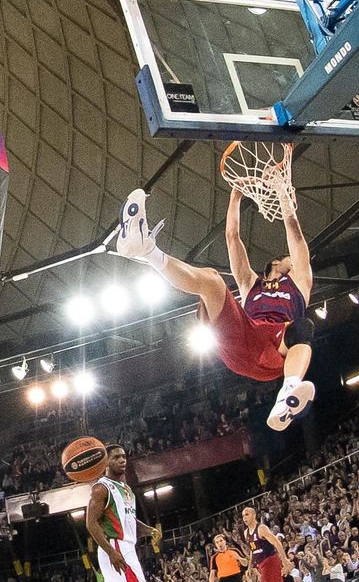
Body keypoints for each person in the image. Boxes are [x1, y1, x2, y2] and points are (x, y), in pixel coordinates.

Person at [115, 183, 315, 430]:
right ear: (276, 262)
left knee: (302, 328)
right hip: (243, 337)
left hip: (276, 350)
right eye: (289, 259)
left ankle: (288, 392)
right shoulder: (250, 283)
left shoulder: (300, 283)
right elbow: (232, 237)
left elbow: (296, 237)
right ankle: (146, 249)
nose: (295, 261)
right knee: (212, 279)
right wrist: (235, 196)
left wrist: (285, 199)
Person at [84, 444, 189, 582]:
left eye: (124, 456)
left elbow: (129, 523)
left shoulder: (126, 489)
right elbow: (91, 524)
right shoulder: (101, 488)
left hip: (125, 547)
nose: (122, 460)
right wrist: (112, 553)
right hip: (116, 549)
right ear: (105, 462)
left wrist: (149, 530)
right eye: (116, 457)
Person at [242, 506, 310, 582]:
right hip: (261, 563)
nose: (244, 518)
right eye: (243, 516)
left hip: (270, 561)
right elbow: (253, 549)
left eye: (247, 514)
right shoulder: (246, 532)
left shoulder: (261, 528)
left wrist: (284, 561)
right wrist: (250, 565)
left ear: (253, 515)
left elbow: (277, 543)